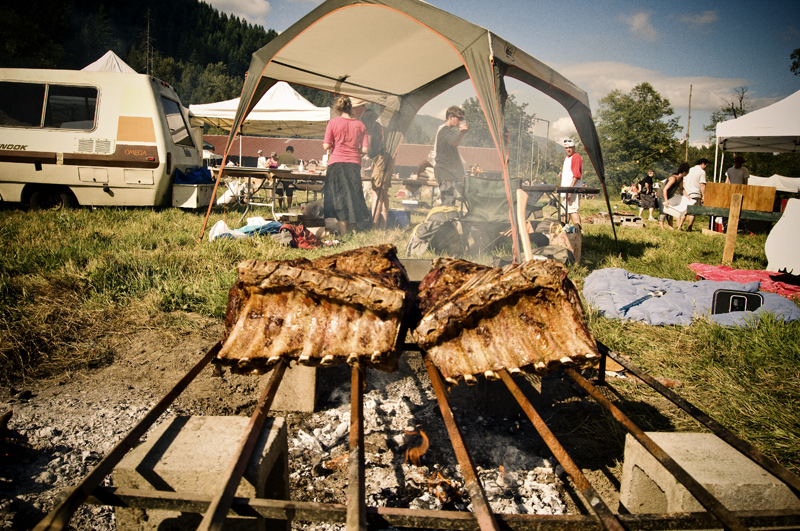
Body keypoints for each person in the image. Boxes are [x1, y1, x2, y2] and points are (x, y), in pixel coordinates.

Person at [322, 95, 371, 234]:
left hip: (336, 164)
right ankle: (352, 230)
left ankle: (343, 232)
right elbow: (366, 149)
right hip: (354, 164)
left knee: (339, 197)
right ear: (351, 108)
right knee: (353, 196)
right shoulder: (360, 125)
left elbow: (326, 146)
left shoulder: (333, 123)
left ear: (338, 108)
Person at [357, 99, 393, 229]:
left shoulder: (369, 116)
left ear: (359, 106)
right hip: (385, 154)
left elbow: (370, 137)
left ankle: (374, 226)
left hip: (380, 156)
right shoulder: (371, 115)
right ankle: (382, 226)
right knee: (382, 191)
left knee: (375, 190)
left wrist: (364, 152)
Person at [433, 105, 469, 206]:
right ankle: (447, 220)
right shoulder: (445, 130)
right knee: (448, 202)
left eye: (462, 119)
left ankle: (449, 220)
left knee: (449, 201)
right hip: (445, 171)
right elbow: (454, 143)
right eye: (459, 118)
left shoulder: (445, 130)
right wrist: (462, 133)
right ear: (450, 117)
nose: (460, 121)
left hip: (447, 172)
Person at [558, 139, 583, 227]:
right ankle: (564, 230)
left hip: (572, 189)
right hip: (566, 189)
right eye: (566, 148)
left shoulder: (576, 157)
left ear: (574, 148)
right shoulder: (567, 158)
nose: (568, 149)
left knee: (572, 211)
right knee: (565, 211)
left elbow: (576, 175)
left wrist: (570, 189)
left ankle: (579, 231)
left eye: (570, 148)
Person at [659, 162, 690, 230]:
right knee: (663, 211)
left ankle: (671, 226)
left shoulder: (680, 179)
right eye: (687, 172)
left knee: (670, 211)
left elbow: (681, 188)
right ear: (684, 172)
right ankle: (661, 227)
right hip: (662, 195)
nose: (687, 174)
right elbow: (665, 189)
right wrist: (666, 200)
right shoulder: (673, 178)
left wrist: (687, 196)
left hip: (669, 195)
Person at [682, 158, 709, 231]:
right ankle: (689, 228)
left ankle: (679, 226)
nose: (706, 167)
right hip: (695, 193)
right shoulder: (702, 172)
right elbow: (702, 184)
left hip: (686, 193)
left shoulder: (689, 170)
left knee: (684, 211)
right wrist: (704, 195)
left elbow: (683, 182)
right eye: (706, 165)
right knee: (692, 212)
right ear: (703, 164)